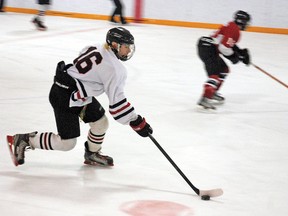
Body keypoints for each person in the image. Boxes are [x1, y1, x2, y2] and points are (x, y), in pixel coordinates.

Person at [7, 27, 153, 167]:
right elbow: (117, 106)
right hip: (65, 96)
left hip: (75, 92)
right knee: (67, 143)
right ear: (114, 44)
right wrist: (137, 122)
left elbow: (82, 61)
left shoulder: (96, 46)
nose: (128, 50)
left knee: (101, 123)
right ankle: (25, 140)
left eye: (130, 47)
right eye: (125, 46)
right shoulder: (115, 69)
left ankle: (92, 154)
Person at [197, 10, 251, 110]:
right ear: (242, 21)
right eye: (247, 22)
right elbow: (224, 48)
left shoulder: (231, 26)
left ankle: (212, 92)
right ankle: (205, 98)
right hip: (209, 48)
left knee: (224, 70)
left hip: (206, 45)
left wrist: (239, 53)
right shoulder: (235, 30)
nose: (247, 25)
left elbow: (228, 44)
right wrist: (236, 57)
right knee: (214, 74)